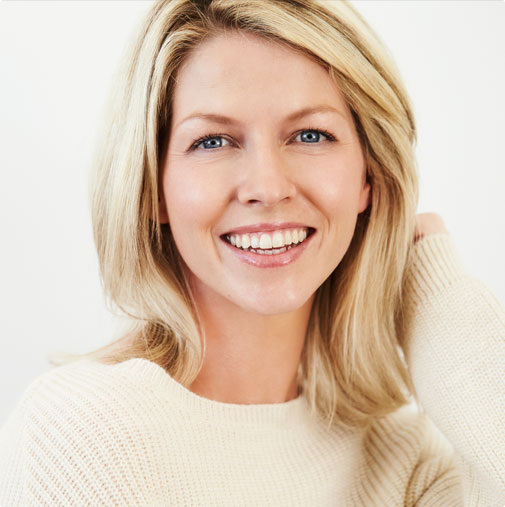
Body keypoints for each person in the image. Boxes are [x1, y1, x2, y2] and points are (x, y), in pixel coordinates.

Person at [1, 0, 504, 505]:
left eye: (311, 135)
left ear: (368, 177)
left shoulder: (404, 464)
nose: (266, 186)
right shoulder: (87, 430)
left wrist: (446, 306)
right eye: (214, 141)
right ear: (153, 187)